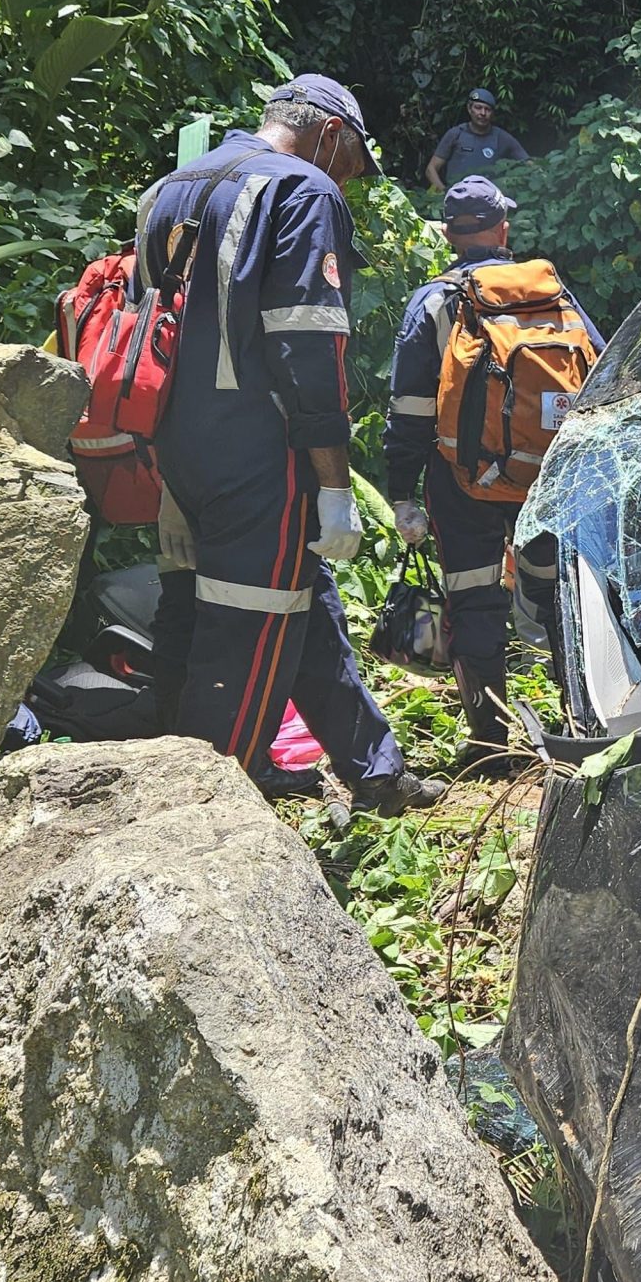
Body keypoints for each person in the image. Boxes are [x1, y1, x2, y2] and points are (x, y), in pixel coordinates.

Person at [140, 73, 447, 810]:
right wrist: (334, 485)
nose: (349, 180)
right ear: (331, 134)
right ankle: (204, 810)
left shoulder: (172, 187)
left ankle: (375, 772)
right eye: (353, 164)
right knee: (243, 631)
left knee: (287, 601)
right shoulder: (304, 190)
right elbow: (309, 348)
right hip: (258, 451)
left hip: (175, 444)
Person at [385, 176, 601, 746]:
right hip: (549, 475)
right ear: (503, 228)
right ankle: (583, 726)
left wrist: (401, 492)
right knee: (562, 596)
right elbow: (599, 371)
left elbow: (408, 410)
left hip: (463, 481)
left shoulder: (434, 301)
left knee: (474, 597)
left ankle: (490, 742)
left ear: (451, 236)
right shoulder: (550, 293)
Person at [424, 87, 528, 191]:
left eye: (487, 109)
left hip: (488, 201)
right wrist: (445, 193)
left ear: (492, 113)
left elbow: (529, 164)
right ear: (469, 109)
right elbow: (431, 169)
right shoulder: (455, 134)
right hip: (457, 199)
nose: (483, 113)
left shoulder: (501, 137)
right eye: (478, 107)